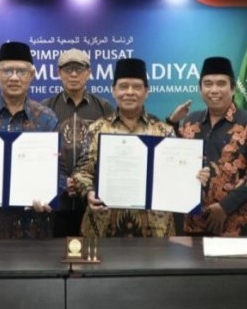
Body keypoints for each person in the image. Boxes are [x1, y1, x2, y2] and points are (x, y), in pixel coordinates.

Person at [72, 58, 204, 238]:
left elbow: (177, 175)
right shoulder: (96, 129)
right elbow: (81, 172)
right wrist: (88, 192)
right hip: (103, 227)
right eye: (123, 86)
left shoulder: (163, 132)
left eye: (136, 87)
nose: (129, 92)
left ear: (146, 92)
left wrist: (194, 176)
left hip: (155, 229)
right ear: (113, 90)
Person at [0, 41, 60, 239]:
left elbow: (61, 168)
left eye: (21, 71)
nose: (14, 77)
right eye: (7, 71)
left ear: (32, 75)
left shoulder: (47, 118)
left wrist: (50, 195)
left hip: (34, 225)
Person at [169, 57, 247, 236]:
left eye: (221, 84)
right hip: (194, 224)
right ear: (200, 89)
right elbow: (173, 158)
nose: (214, 90)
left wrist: (224, 207)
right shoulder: (190, 121)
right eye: (208, 84)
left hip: (235, 226)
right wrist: (172, 123)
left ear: (233, 89)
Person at [41, 48, 113, 237]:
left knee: (92, 253)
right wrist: (61, 181)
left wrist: (85, 185)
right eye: (68, 69)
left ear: (89, 72)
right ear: (58, 72)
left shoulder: (104, 108)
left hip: (92, 202)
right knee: (55, 253)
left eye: (79, 69)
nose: (73, 74)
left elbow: (110, 153)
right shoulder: (45, 108)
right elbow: (39, 153)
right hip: (56, 203)